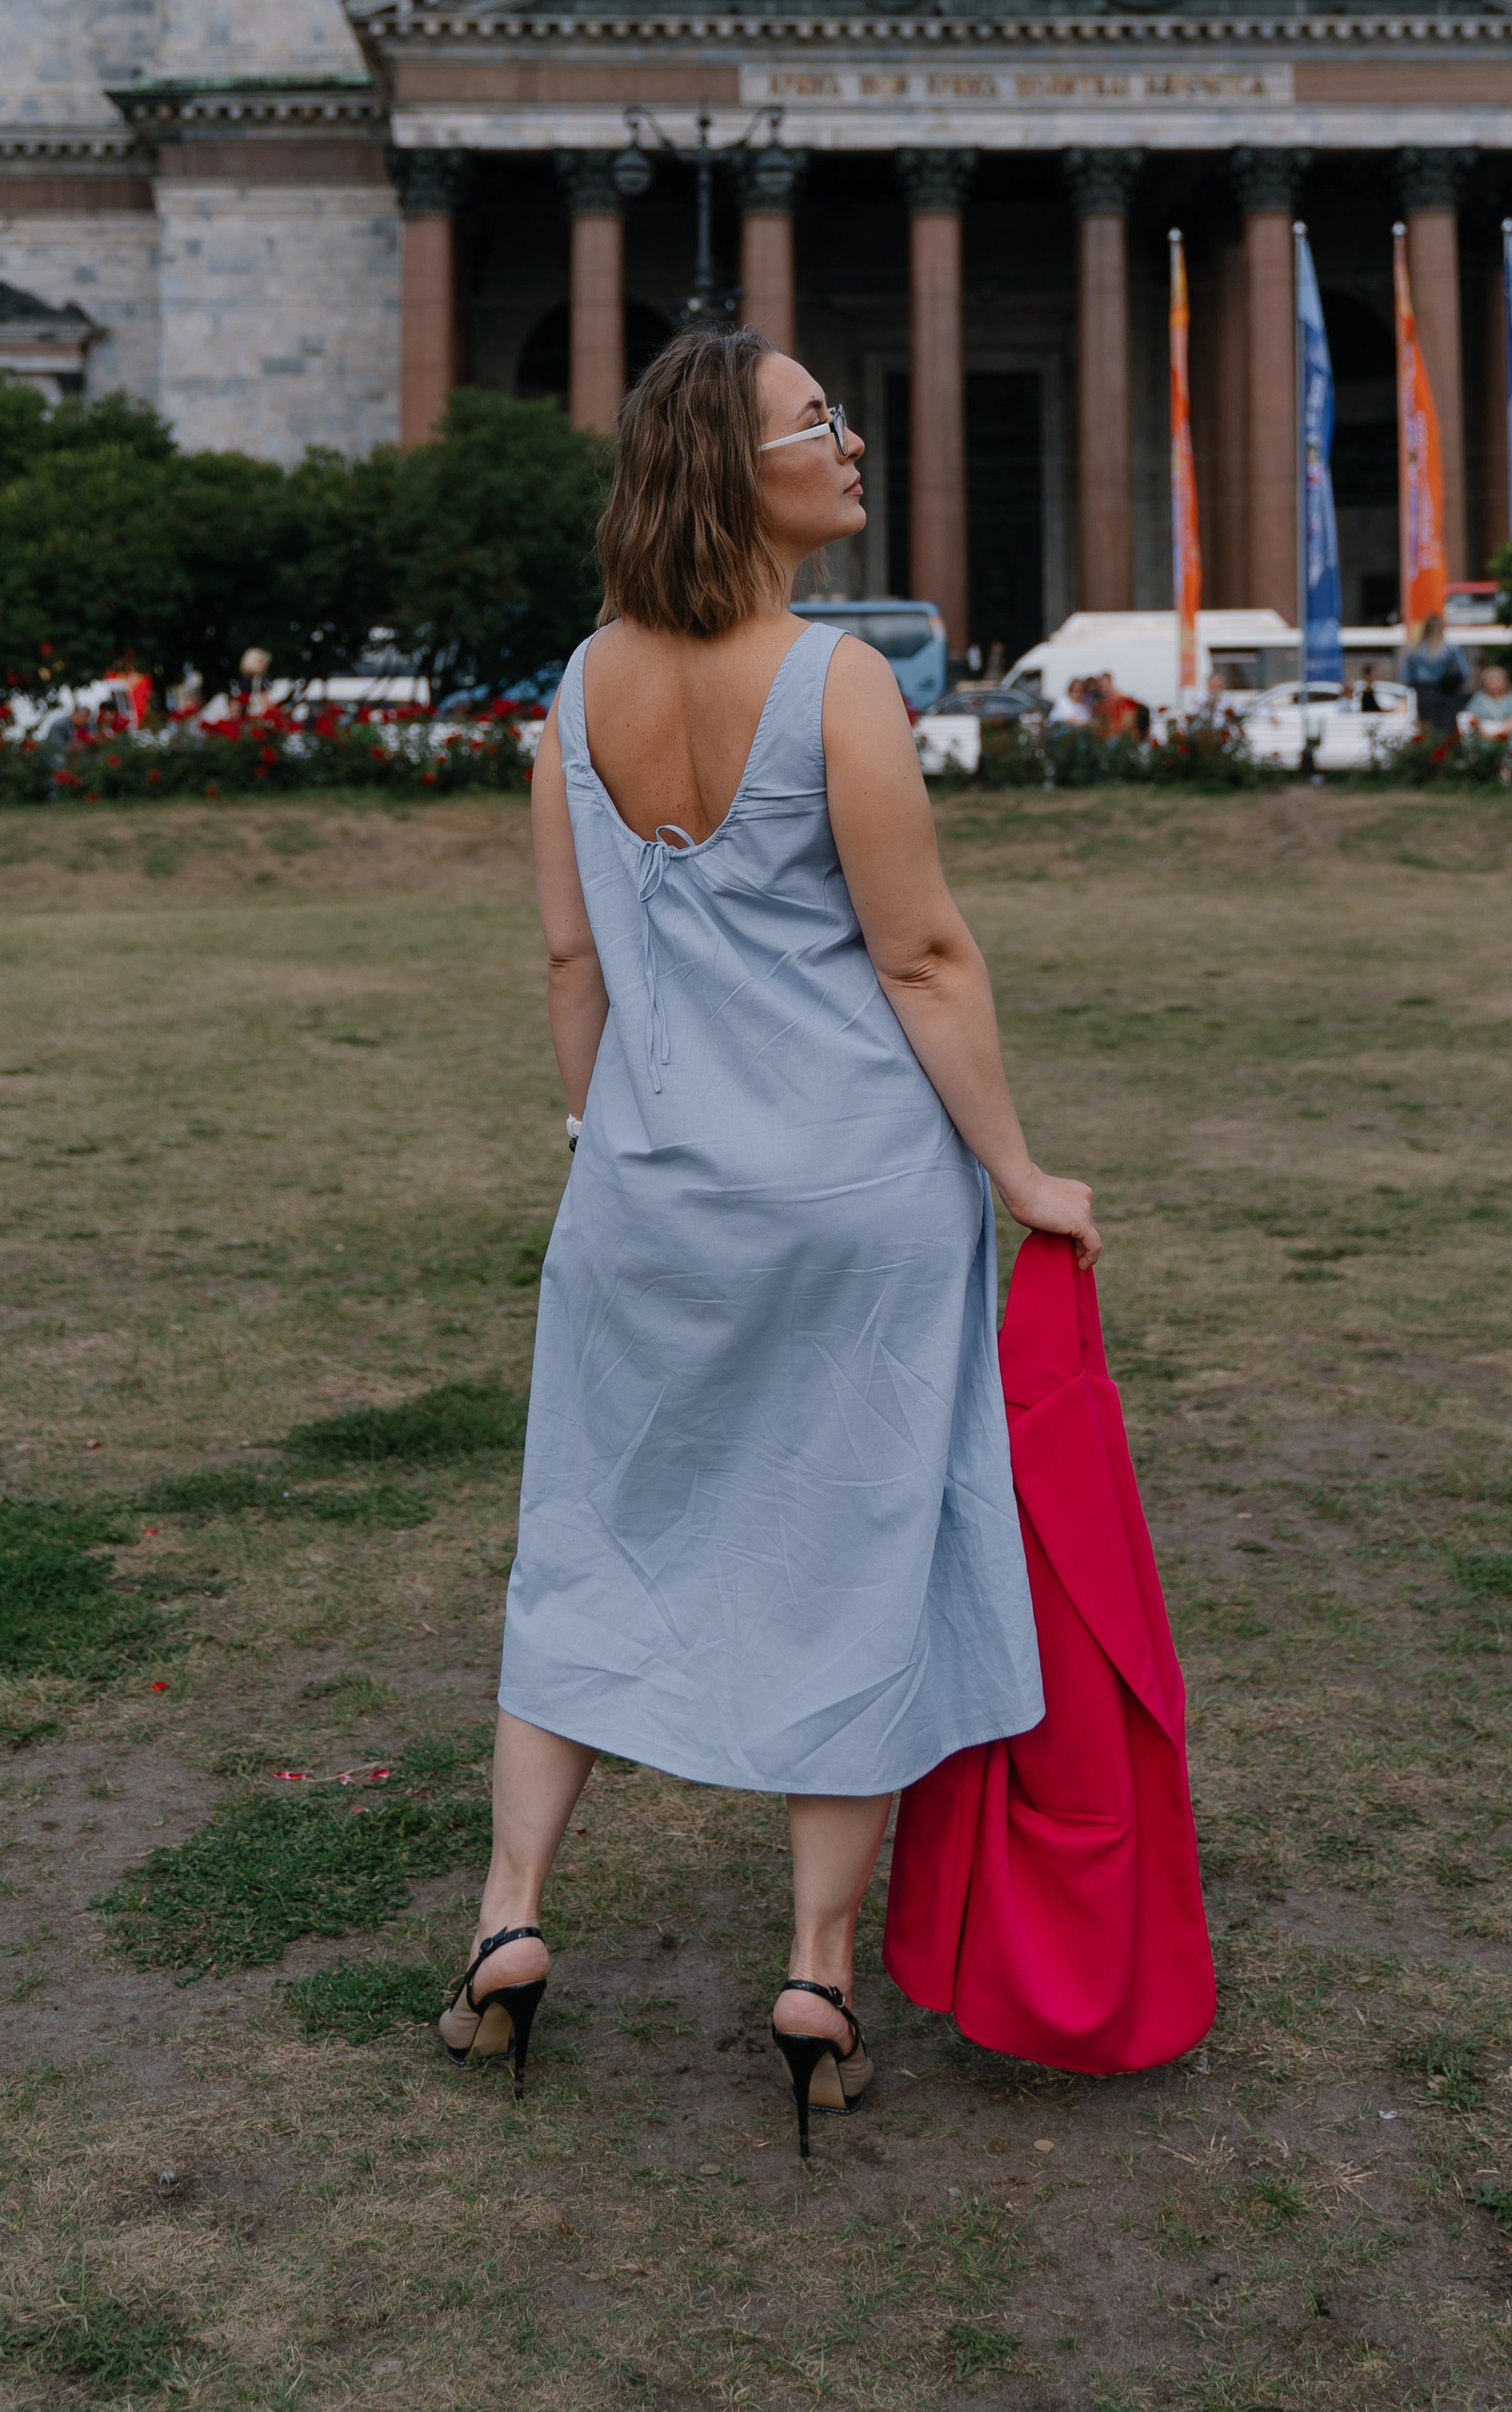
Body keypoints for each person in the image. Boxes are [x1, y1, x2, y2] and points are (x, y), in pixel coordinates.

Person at [440, 331, 1100, 2148]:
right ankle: (816, 1967)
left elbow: (574, 964)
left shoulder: (577, 691)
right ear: (739, 475)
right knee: (851, 1557)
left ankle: (509, 1920)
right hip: (855, 1197)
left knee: (584, 1535)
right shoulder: (840, 682)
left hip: (645, 1193)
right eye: (818, 422)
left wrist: (603, 1134)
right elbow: (924, 957)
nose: (851, 435)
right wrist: (1026, 1176)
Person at [1402, 611, 1470, 743]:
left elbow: (1407, 677)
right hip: (1446, 692)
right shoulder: (1451, 648)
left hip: (1424, 692)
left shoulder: (1413, 650)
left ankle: (1428, 757)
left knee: (1427, 729)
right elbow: (1463, 672)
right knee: (1447, 730)